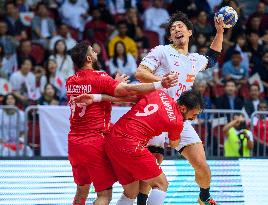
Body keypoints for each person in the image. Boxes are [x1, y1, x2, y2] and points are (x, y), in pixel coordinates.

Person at [66, 41, 178, 205]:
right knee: (104, 196)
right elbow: (127, 92)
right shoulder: (100, 77)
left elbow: (97, 90)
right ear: (89, 58)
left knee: (81, 192)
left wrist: (110, 86)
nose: (96, 52)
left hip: (74, 143)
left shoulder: (71, 81)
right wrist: (159, 84)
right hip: (94, 142)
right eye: (93, 51)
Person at [135, 11, 225, 205]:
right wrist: (161, 80)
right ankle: (141, 202)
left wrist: (219, 31)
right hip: (157, 114)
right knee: (153, 164)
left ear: (190, 32)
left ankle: (204, 196)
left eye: (180, 26)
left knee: (201, 164)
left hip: (179, 117)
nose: (176, 29)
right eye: (173, 28)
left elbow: (213, 57)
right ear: (170, 36)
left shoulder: (194, 59)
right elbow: (140, 73)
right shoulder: (161, 50)